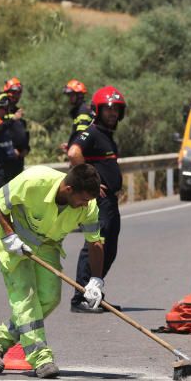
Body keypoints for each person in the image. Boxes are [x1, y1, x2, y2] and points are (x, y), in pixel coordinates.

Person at [0, 164, 105, 379]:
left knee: (50, 298)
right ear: (68, 190)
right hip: (14, 243)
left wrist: (96, 280)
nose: (86, 205)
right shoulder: (34, 181)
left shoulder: (88, 206)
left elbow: (95, 243)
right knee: (26, 299)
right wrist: (10, 236)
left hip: (47, 245)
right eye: (83, 200)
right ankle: (41, 358)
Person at [67, 86, 125, 313]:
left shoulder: (106, 136)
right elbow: (73, 153)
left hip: (110, 201)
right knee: (94, 245)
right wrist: (89, 180)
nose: (112, 113)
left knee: (109, 248)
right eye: (108, 109)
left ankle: (94, 292)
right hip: (99, 201)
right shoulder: (91, 132)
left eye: (116, 109)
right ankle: (81, 296)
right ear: (98, 110)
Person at [1, 77, 30, 182]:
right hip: (4, 162)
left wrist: (26, 149)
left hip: (18, 162)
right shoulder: (0, 110)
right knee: (1, 194)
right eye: (13, 92)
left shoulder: (17, 111)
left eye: (18, 93)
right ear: (6, 92)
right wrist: (10, 149)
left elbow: (22, 133)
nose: (16, 96)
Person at [60, 79, 93, 153]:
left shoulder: (83, 111)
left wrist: (74, 148)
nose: (70, 98)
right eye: (69, 95)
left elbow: (82, 134)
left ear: (79, 95)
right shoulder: (79, 111)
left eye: (72, 95)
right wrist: (70, 145)